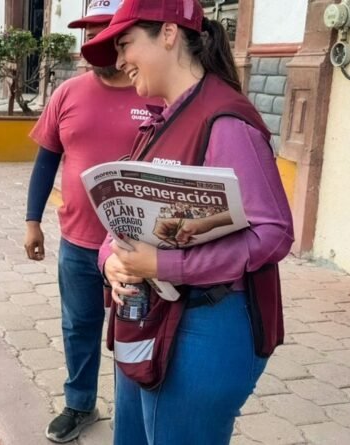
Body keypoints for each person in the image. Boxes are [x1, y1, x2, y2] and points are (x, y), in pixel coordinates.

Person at [80, 0, 294, 443]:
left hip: (206, 327)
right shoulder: (160, 123)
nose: (120, 62)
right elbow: (121, 224)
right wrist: (111, 262)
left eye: (125, 44)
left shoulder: (226, 121)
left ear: (170, 34)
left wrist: (164, 266)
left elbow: (273, 234)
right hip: (147, 319)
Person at [24, 1, 163, 442]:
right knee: (78, 325)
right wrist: (32, 220)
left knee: (138, 329)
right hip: (77, 242)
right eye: (88, 34)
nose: (94, 43)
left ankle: (137, 416)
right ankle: (80, 403)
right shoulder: (67, 93)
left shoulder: (155, 93)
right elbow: (46, 162)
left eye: (105, 33)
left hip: (137, 250)